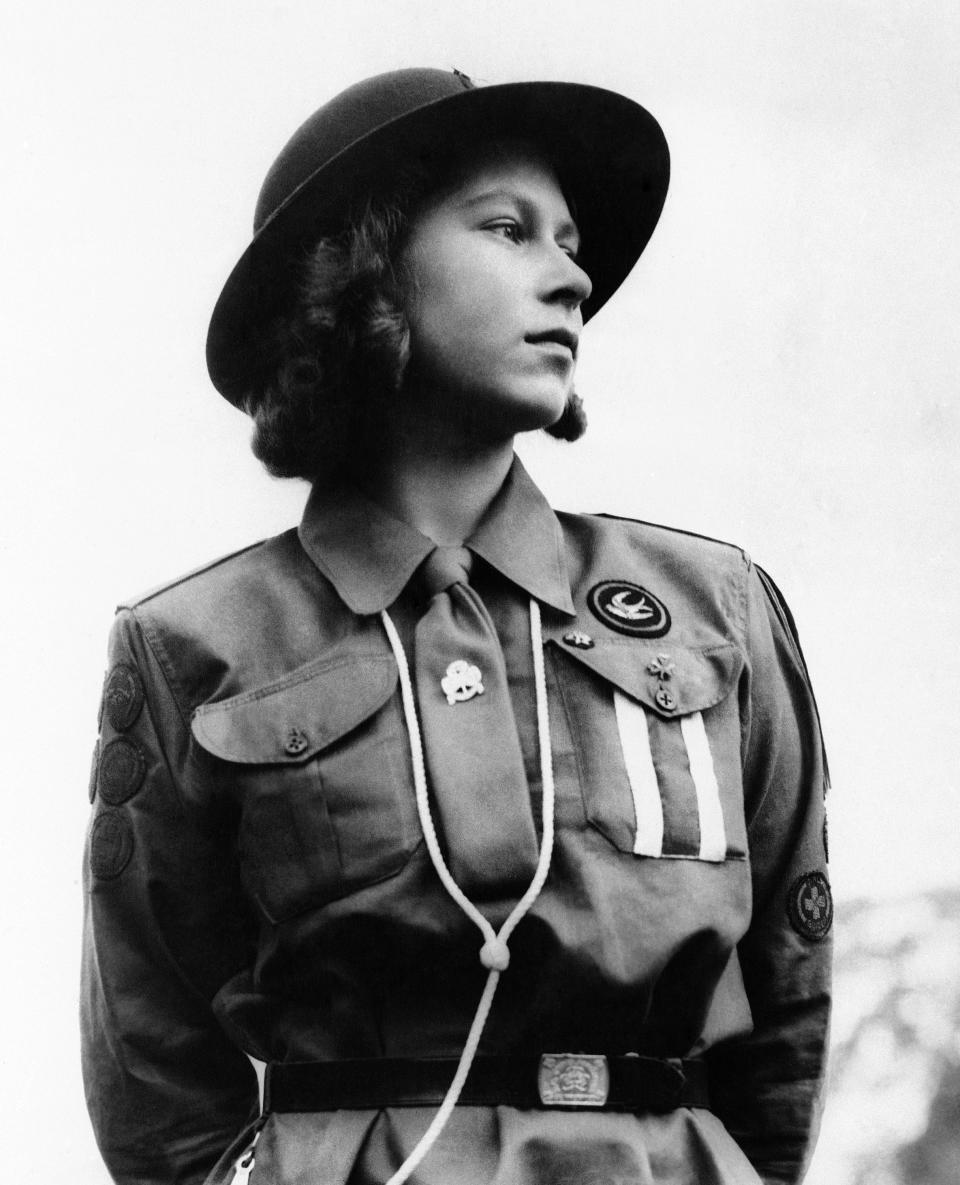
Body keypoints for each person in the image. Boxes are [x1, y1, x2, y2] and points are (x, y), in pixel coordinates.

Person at [81, 67, 832, 1185]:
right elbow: (152, 1063)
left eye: (571, 242)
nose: (572, 277)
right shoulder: (198, 643)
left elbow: (787, 997)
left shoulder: (710, 606)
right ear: (362, 277)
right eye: (508, 230)